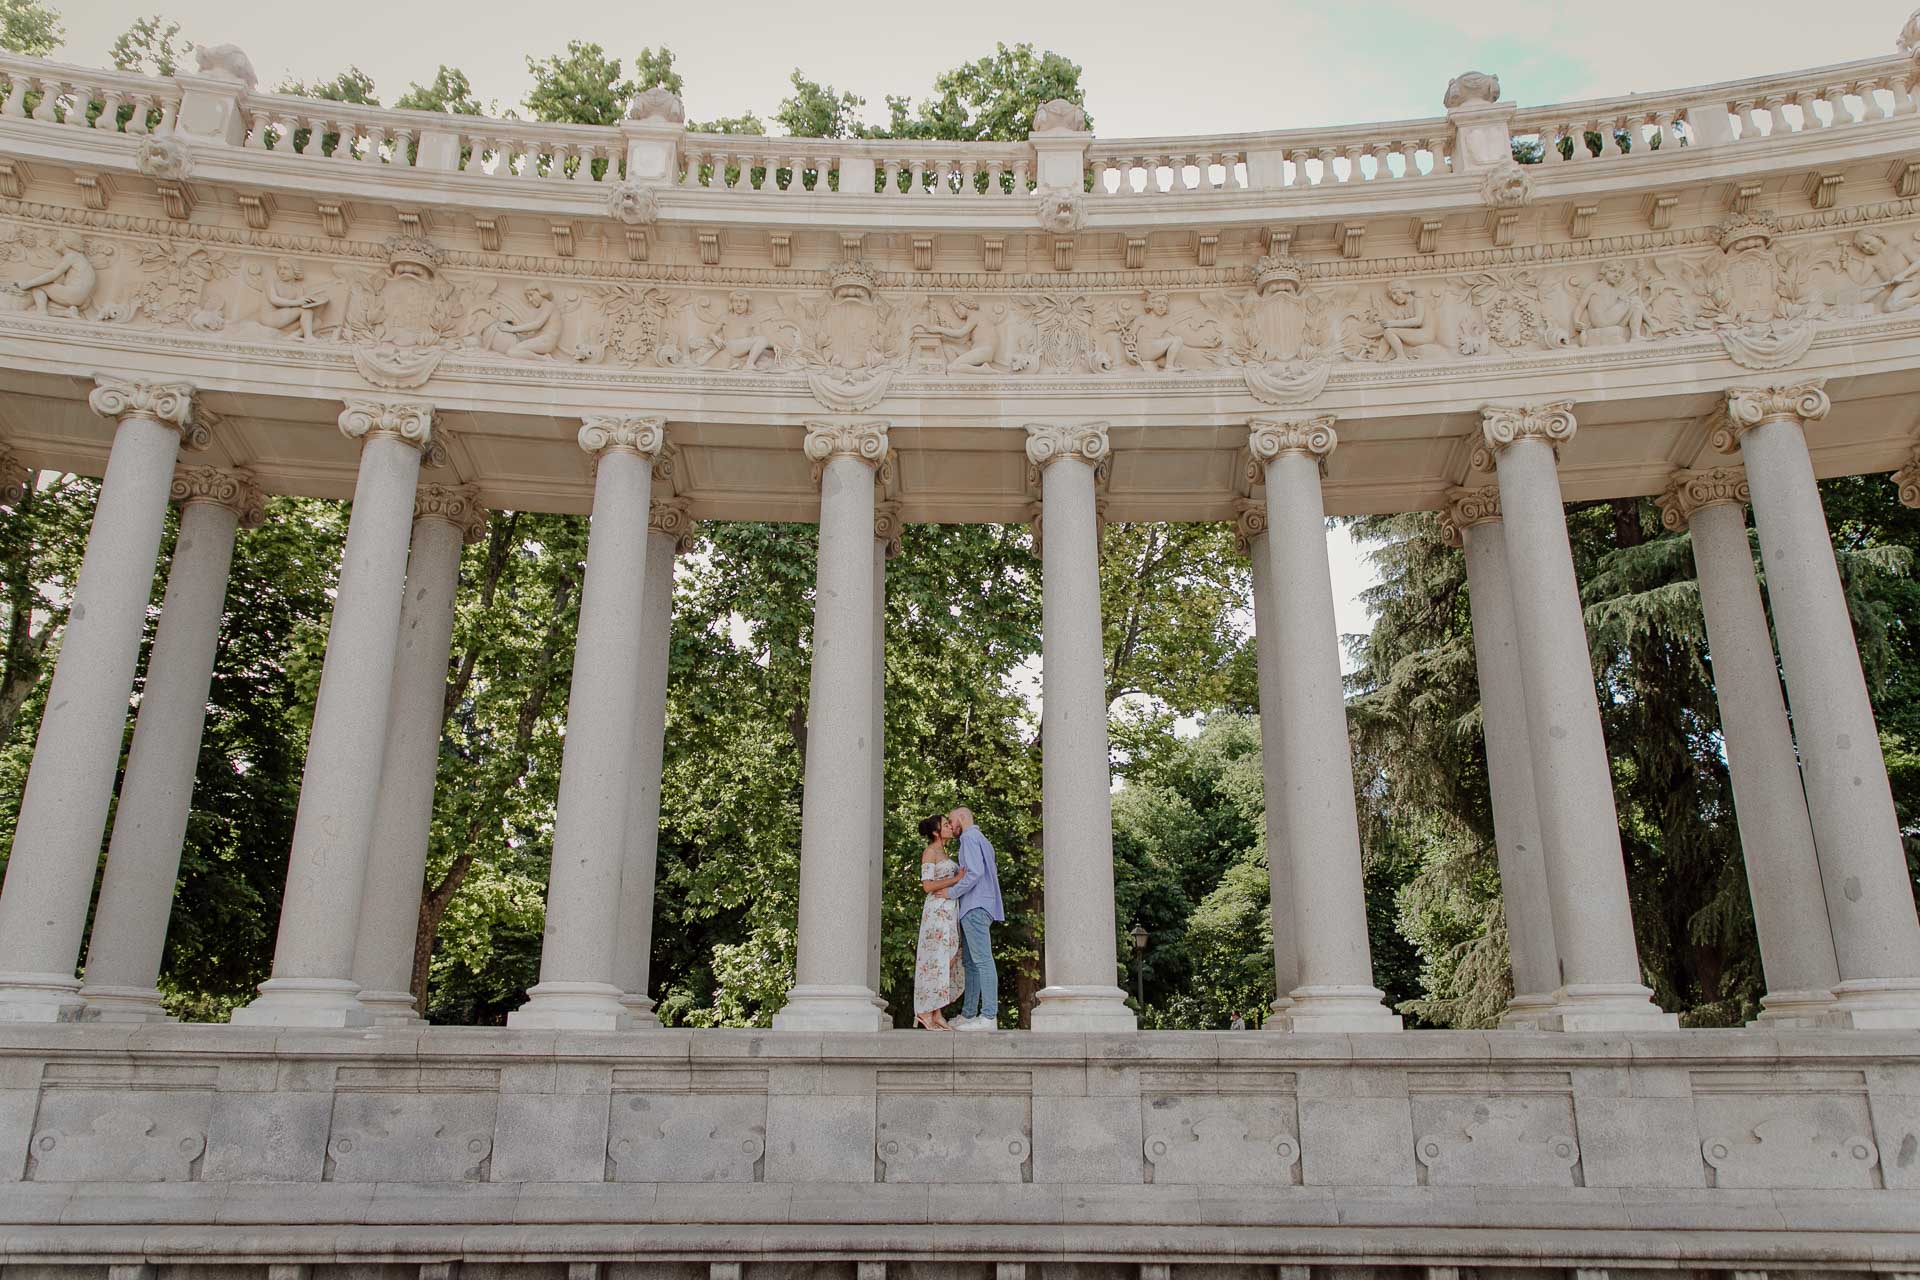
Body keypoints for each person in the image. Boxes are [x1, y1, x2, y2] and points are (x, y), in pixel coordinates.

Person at [941, 806, 1004, 1030]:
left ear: (962, 817)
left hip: (975, 905)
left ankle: (988, 1017)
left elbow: (975, 873)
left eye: (951, 820)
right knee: (971, 963)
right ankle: (969, 1014)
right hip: (977, 905)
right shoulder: (981, 838)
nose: (950, 824)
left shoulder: (968, 837)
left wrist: (951, 892)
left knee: (982, 961)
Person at [912, 814, 966, 1030]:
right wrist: (956, 879)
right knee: (936, 960)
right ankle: (928, 1012)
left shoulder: (945, 852)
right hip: (936, 911)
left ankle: (936, 1011)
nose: (949, 827)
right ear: (936, 832)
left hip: (949, 910)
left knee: (949, 957)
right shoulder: (930, 852)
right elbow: (927, 885)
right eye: (945, 825)